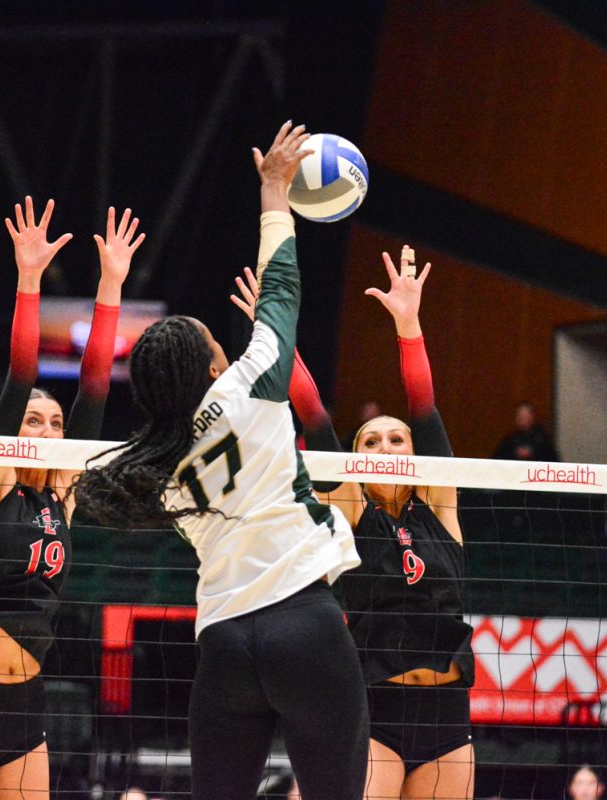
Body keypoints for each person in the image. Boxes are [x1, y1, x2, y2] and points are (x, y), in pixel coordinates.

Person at [75, 122, 367, 800]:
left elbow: (84, 443)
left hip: (226, 647)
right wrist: (275, 194)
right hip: (305, 624)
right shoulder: (250, 385)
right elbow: (284, 288)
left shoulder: (152, 460)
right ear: (212, 363)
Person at [0, 197, 143, 800]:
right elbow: (20, 376)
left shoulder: (59, 495)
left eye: (55, 424)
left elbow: (94, 385)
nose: (45, 433)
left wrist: (111, 286)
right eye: (33, 422)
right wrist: (30, 279)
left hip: (28, 705)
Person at [230, 246, 474, 799]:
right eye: (370, 440)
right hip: (376, 707)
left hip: (448, 715)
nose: (384, 446)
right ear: (354, 458)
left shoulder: (440, 505)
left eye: (396, 438)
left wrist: (408, 324)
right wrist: (274, 335)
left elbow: (424, 405)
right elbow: (312, 410)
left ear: (415, 454)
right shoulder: (352, 508)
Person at [493, 401, 560, 462]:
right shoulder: (509, 441)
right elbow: (497, 461)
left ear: (532, 417)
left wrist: (533, 453)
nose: (522, 419)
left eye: (525, 416)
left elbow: (553, 462)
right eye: (520, 416)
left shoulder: (544, 440)